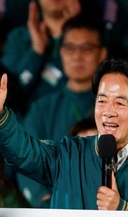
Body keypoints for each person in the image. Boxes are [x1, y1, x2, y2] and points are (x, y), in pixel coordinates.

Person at [0, 58, 128, 217]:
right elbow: (24, 153)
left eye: (119, 103)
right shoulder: (68, 155)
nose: (108, 112)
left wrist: (123, 208)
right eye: (101, 101)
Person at [20, 15, 107, 207]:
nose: (77, 56)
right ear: (61, 53)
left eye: (86, 48)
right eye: (69, 48)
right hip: (53, 209)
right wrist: (45, 201)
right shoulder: (42, 108)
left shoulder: (116, 106)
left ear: (102, 54)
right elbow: (27, 161)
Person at [0, 0, 82, 102]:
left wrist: (76, 31)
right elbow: (8, 92)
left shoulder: (95, 37)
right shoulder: (19, 38)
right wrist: (36, 52)